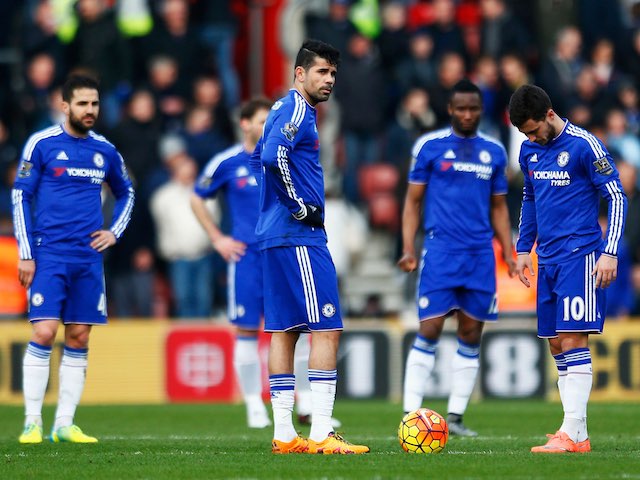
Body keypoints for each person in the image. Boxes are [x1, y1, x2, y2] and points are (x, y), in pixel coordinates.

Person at [191, 97, 343, 430]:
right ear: (244, 123)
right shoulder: (227, 162)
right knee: (250, 330)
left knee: (300, 326)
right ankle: (252, 406)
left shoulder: (280, 157)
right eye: (260, 122)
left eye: (267, 121)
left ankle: (304, 403)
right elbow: (196, 196)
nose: (266, 127)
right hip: (246, 256)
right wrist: (217, 238)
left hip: (279, 248)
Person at [251, 39, 369, 455]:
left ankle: (284, 434)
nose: (329, 80)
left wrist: (276, 209)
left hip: (274, 235)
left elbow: (260, 158)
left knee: (284, 332)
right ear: (299, 73)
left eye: (333, 73)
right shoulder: (297, 110)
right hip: (298, 235)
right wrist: (299, 207)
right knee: (327, 327)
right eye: (321, 72)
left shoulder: (284, 111)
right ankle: (320, 431)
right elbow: (270, 158)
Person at [12, 74, 135, 444]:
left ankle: (64, 424)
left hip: (87, 257)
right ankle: (32, 422)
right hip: (49, 253)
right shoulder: (42, 143)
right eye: (82, 103)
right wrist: (26, 254)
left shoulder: (106, 151)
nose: (90, 110)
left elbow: (127, 192)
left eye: (95, 103)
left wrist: (114, 232)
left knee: (79, 335)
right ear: (64, 106)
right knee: (45, 331)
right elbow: (20, 196)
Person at [508, 84, 627, 453]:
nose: (529, 138)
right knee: (556, 342)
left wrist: (610, 252)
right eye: (523, 134)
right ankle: (578, 434)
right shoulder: (530, 150)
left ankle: (569, 430)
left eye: (532, 129)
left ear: (549, 114)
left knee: (574, 338)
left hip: (582, 254)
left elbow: (617, 196)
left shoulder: (583, 145)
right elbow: (529, 198)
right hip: (549, 258)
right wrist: (524, 247)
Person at [398, 79, 515, 437]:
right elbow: (412, 201)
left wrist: (508, 252)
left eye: (473, 108)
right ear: (450, 109)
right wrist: (407, 247)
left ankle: (457, 418)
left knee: (470, 332)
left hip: (480, 254)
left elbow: (499, 208)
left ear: (481, 110)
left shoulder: (494, 152)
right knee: (430, 327)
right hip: (441, 251)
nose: (467, 114)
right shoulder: (429, 147)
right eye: (461, 108)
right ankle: (410, 414)